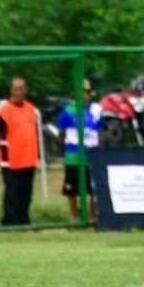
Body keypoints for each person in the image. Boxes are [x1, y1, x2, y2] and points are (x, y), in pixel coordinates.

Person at [0, 77, 40, 226]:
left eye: (21, 89)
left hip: (29, 158)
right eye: (16, 89)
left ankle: (24, 219)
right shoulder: (4, 110)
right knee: (12, 191)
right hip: (11, 159)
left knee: (26, 191)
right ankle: (9, 220)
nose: (18, 92)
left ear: (25, 90)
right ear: (11, 90)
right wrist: (1, 146)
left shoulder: (30, 108)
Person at [56, 79, 102, 223]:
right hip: (73, 156)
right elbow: (61, 134)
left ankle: (93, 216)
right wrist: (67, 147)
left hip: (92, 155)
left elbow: (100, 131)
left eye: (87, 92)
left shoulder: (96, 110)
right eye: (81, 92)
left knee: (93, 188)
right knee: (72, 189)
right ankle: (75, 217)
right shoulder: (68, 110)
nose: (84, 95)